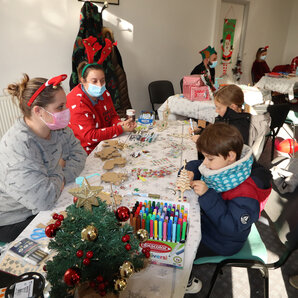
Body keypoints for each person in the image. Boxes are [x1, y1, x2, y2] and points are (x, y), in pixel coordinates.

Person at [185, 123, 272, 294]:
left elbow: (231, 227)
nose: (205, 163)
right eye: (204, 157)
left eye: (209, 158)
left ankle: (187, 282)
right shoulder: (227, 168)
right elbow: (201, 166)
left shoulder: (246, 192)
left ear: (230, 156)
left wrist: (207, 195)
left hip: (223, 241)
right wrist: (191, 170)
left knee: (181, 247)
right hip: (210, 225)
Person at [0, 74, 87, 243]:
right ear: (38, 111)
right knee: (76, 233)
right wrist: (59, 169)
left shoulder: (58, 128)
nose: (66, 112)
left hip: (47, 200)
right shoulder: (18, 145)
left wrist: (55, 176)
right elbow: (44, 200)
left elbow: (79, 154)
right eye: (60, 107)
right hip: (15, 219)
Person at [67, 61, 136, 155]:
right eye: (94, 81)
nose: (99, 85)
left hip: (105, 140)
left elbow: (112, 115)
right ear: (83, 81)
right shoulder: (78, 104)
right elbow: (90, 136)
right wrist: (121, 129)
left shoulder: (104, 92)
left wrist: (120, 123)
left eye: (102, 80)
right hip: (86, 151)